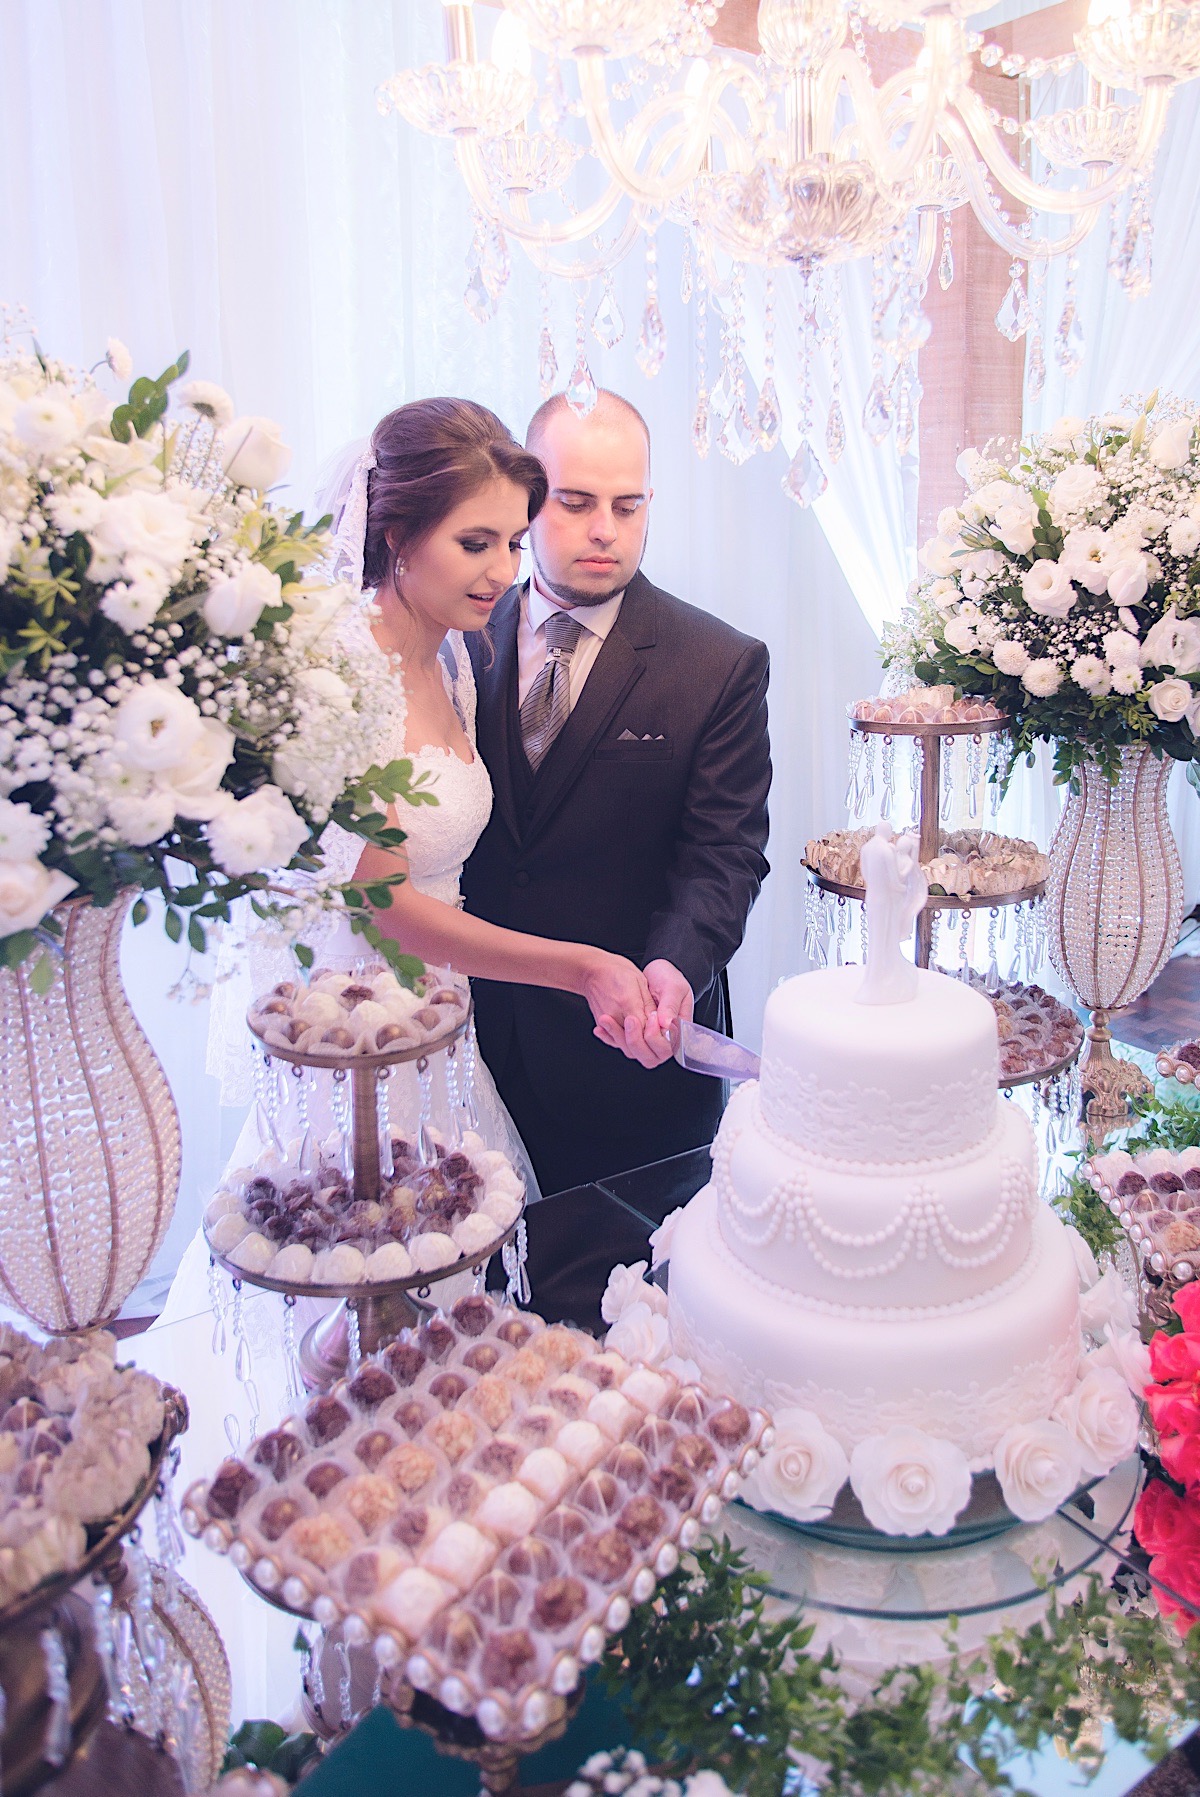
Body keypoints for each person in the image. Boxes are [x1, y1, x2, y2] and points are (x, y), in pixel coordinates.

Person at [204, 396, 660, 1193]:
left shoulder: (454, 660)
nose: (504, 572)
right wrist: (582, 967)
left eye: (514, 542)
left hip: (445, 1021)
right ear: (396, 536)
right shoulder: (339, 675)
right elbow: (388, 908)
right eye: (475, 543)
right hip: (360, 1029)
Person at [461, 388, 771, 1197]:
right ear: (527, 503)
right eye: (577, 502)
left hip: (631, 1066)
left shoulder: (718, 663)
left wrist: (677, 965)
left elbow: (725, 856)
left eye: (628, 506)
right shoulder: (455, 640)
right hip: (469, 1045)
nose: (605, 528)